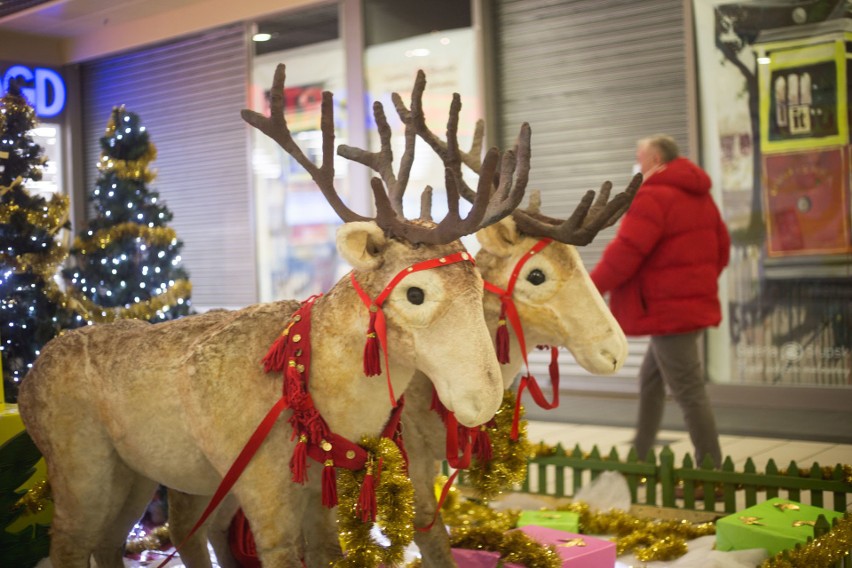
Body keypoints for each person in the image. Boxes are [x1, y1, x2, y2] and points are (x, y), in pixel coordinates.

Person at [590, 134, 729, 468]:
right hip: (687, 308)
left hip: (669, 312)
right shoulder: (699, 195)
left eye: (639, 157)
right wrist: (697, 286)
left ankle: (712, 472)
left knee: (688, 391)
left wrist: (591, 290)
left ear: (652, 160)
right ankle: (639, 458)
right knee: (651, 382)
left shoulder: (652, 196)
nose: (636, 164)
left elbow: (626, 253)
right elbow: (722, 249)